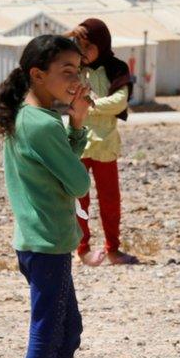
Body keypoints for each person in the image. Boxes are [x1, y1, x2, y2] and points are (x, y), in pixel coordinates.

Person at [0, 35, 93, 358]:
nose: (75, 79)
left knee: (66, 330)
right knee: (50, 331)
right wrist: (76, 129)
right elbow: (76, 180)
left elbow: (65, 167)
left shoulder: (30, 116)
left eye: (79, 70)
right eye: (66, 71)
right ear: (38, 74)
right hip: (47, 244)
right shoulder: (40, 124)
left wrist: (78, 122)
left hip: (40, 242)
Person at [65, 18, 138, 266]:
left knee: (109, 198)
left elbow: (120, 101)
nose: (83, 53)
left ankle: (113, 249)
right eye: (79, 46)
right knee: (78, 197)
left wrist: (91, 105)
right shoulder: (73, 68)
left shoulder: (116, 69)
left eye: (89, 46)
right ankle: (81, 248)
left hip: (105, 144)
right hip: (79, 143)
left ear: (101, 44)